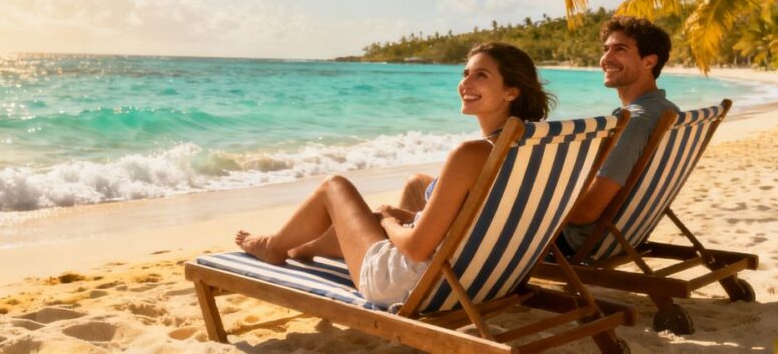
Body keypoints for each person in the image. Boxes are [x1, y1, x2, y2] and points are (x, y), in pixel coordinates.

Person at [234, 42, 552, 306]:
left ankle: (274, 246)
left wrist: (389, 220)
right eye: (465, 73)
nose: (465, 84)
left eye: (480, 75)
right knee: (359, 224)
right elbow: (475, 219)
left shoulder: (471, 154)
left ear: (511, 91)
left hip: (411, 283)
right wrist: (400, 219)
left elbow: (415, 249)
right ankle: (299, 248)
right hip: (483, 278)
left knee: (335, 186)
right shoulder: (538, 148)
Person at [558, 16, 679, 254]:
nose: (606, 59)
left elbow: (586, 213)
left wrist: (540, 207)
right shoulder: (669, 111)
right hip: (627, 233)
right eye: (606, 49)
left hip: (578, 240)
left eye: (620, 49)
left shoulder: (634, 122)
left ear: (649, 61)